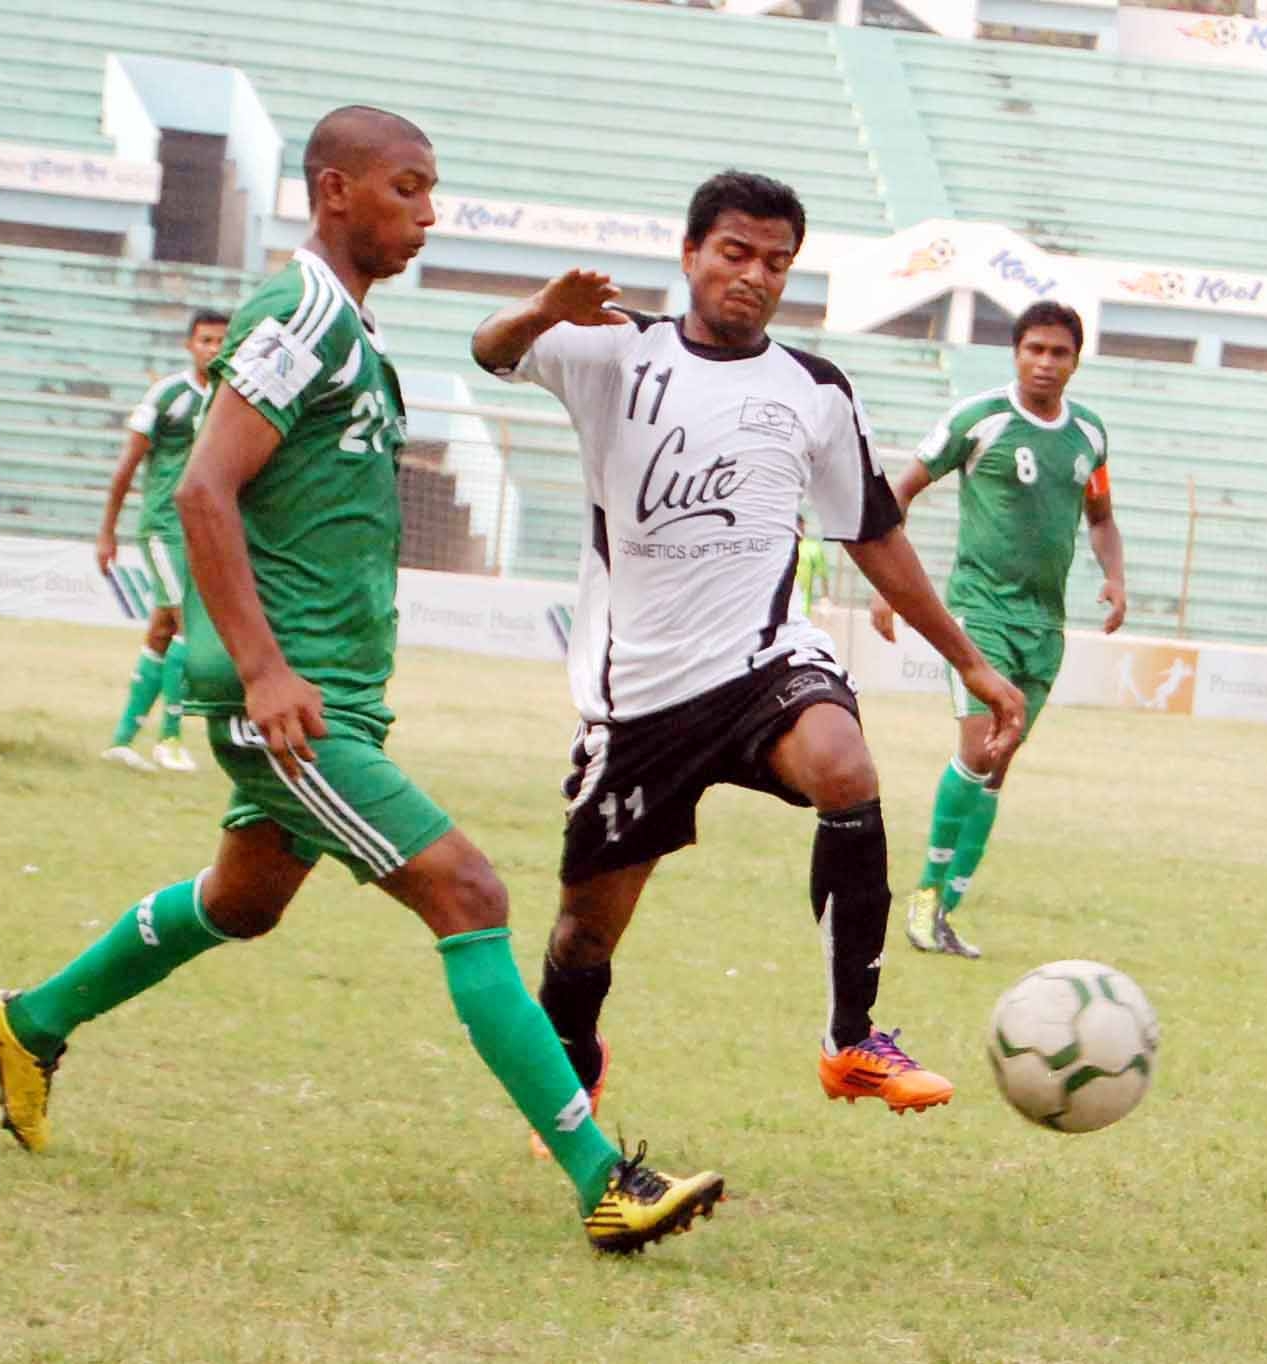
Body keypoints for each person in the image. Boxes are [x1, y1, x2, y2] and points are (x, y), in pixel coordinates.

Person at [0, 106, 725, 1255]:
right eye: (407, 188)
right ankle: (599, 1177)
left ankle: (29, 1021)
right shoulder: (302, 311)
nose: (428, 212)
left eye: (432, 191)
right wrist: (266, 669)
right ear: (334, 191)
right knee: (469, 892)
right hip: (287, 700)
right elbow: (202, 490)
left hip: (329, 693)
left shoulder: (350, 328)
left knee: (243, 901)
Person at [470, 171, 1024, 1154]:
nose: (754, 276)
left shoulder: (810, 391)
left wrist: (971, 664)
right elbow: (489, 349)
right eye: (734, 253)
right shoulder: (609, 348)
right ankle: (572, 1054)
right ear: (689, 255)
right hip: (636, 698)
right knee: (581, 936)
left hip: (765, 664)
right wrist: (537, 311)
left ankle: (850, 1039)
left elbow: (873, 532)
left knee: (846, 769)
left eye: (775, 262)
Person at [872, 300, 1126, 960]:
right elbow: (899, 492)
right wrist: (887, 585)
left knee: (1000, 763)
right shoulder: (978, 418)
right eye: (1034, 349)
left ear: (1076, 361)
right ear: (1015, 353)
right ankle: (925, 895)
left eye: (1059, 352)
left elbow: (1099, 515)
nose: (1045, 362)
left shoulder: (1090, 436)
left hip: (1046, 624)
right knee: (980, 749)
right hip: (979, 614)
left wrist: (1115, 576)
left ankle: (947, 909)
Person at [97, 309, 230, 774]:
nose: (213, 349)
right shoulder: (169, 395)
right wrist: (107, 530)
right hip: (164, 528)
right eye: (206, 340)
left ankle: (121, 741)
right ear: (189, 345)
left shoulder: (228, 400)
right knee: (189, 629)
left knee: (161, 631)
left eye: (221, 341)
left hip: (203, 531)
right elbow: (127, 466)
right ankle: (169, 740)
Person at [795, 512, 830, 616]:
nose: (800, 528)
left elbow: (823, 574)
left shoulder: (812, 548)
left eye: (801, 525)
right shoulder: (781, 547)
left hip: (802, 604)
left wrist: (825, 598)